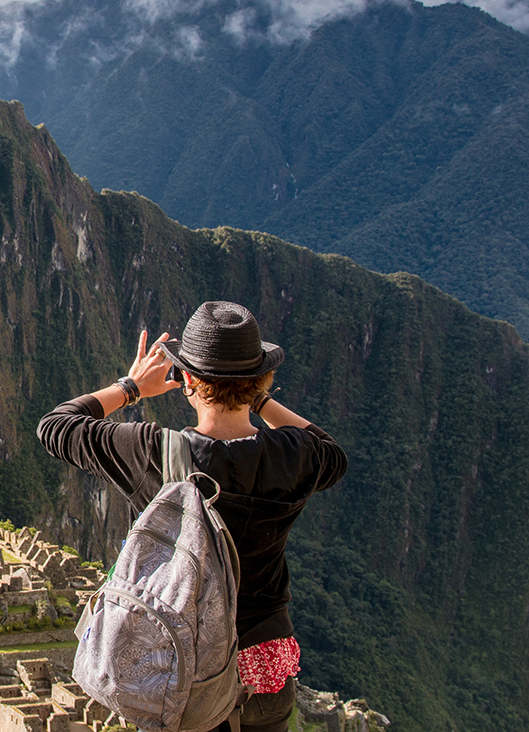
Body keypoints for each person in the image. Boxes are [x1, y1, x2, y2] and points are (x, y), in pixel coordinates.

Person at [36, 301, 346, 732]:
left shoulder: (151, 454)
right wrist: (259, 399)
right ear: (262, 379)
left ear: (187, 380)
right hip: (263, 672)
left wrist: (131, 387)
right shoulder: (295, 456)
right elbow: (331, 452)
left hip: (178, 673)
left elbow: (57, 425)